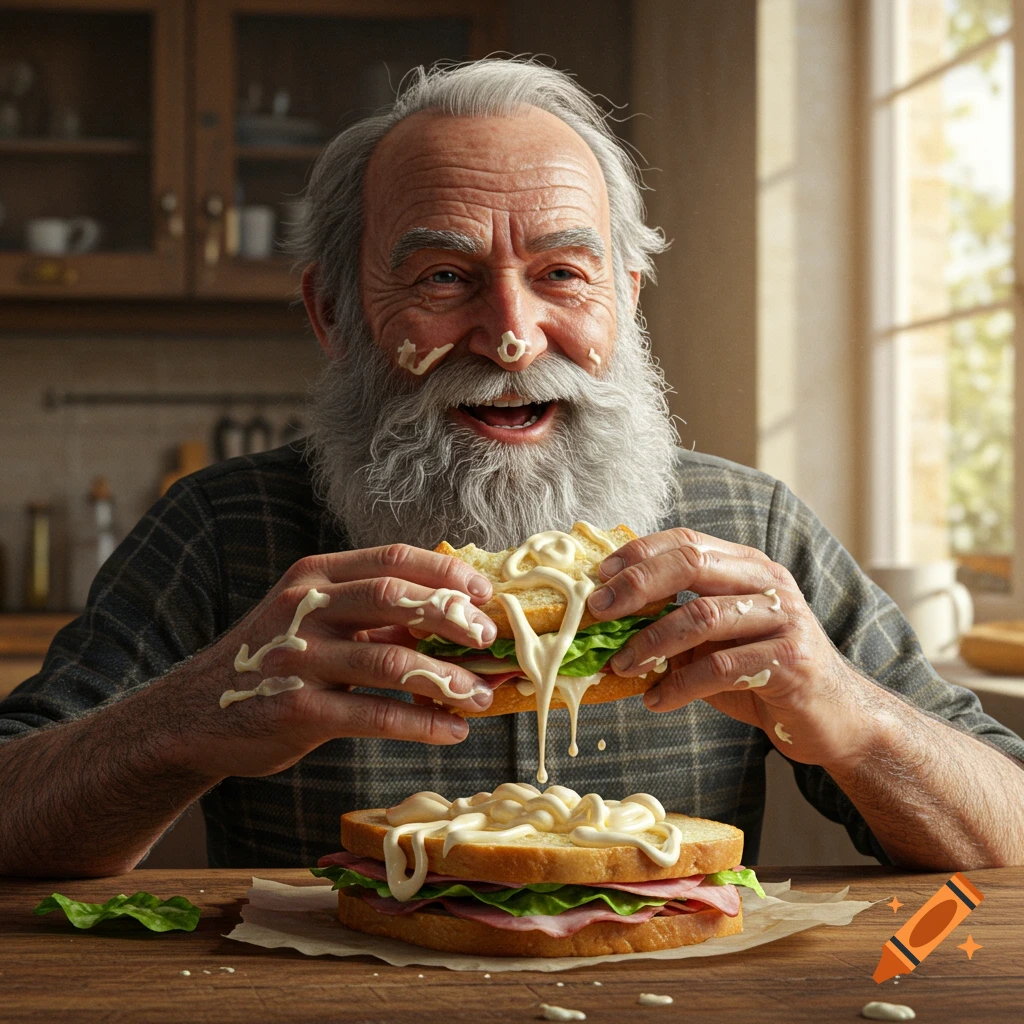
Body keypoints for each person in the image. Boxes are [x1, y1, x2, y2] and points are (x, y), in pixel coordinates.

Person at [2, 60, 1022, 877]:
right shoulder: (221, 529)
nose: (511, 334)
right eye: (444, 276)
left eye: (561, 275)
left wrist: (849, 710)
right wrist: (191, 713)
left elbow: (1010, 826)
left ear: (622, 300)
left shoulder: (746, 530)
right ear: (333, 314)